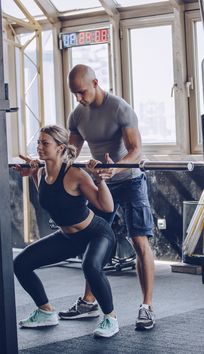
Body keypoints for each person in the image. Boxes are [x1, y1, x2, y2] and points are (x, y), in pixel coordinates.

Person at [58, 64, 155, 331]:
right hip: (102, 183)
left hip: (130, 180)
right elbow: (71, 152)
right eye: (74, 94)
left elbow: (136, 150)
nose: (78, 98)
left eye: (81, 92)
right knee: (93, 240)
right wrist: (49, 164)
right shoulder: (77, 115)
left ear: (96, 83)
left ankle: (146, 307)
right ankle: (89, 302)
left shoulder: (120, 108)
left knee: (139, 242)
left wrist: (118, 166)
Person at [13, 124, 119, 338]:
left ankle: (110, 318)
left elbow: (106, 207)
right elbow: (51, 200)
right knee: (21, 264)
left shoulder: (76, 174)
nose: (40, 147)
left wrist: (100, 179)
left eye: (45, 143)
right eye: (38, 142)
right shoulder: (42, 172)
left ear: (60, 148)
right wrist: (32, 173)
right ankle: (46, 311)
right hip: (68, 237)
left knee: (90, 266)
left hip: (96, 234)